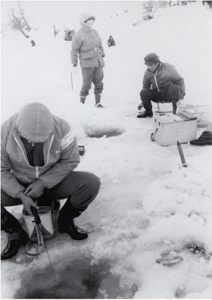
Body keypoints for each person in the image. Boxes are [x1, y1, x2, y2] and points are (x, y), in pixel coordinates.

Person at [1, 102, 101, 260]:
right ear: (19, 130)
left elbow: (71, 160)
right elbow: (1, 170)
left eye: (41, 141)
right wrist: (20, 194)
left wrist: (43, 182)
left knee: (90, 183)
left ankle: (65, 221)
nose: (35, 144)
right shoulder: (4, 131)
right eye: (29, 140)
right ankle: (15, 232)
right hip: (19, 184)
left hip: (53, 183)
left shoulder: (62, 128)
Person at [71, 12, 105, 108]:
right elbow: (74, 50)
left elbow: (100, 43)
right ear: (83, 22)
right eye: (88, 21)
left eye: (92, 21)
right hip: (87, 64)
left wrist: (102, 52)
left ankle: (98, 103)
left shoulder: (95, 32)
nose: (90, 23)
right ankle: (81, 104)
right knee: (86, 84)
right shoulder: (78, 35)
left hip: (98, 62)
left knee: (99, 83)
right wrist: (74, 64)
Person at [137, 53, 185, 118]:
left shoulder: (168, 68)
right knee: (143, 92)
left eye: (151, 65)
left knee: (175, 87)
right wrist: (143, 102)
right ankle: (148, 112)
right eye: (147, 65)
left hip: (169, 95)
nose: (149, 67)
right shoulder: (147, 73)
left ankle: (175, 112)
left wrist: (181, 95)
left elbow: (179, 81)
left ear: (157, 63)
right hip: (158, 95)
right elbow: (145, 87)